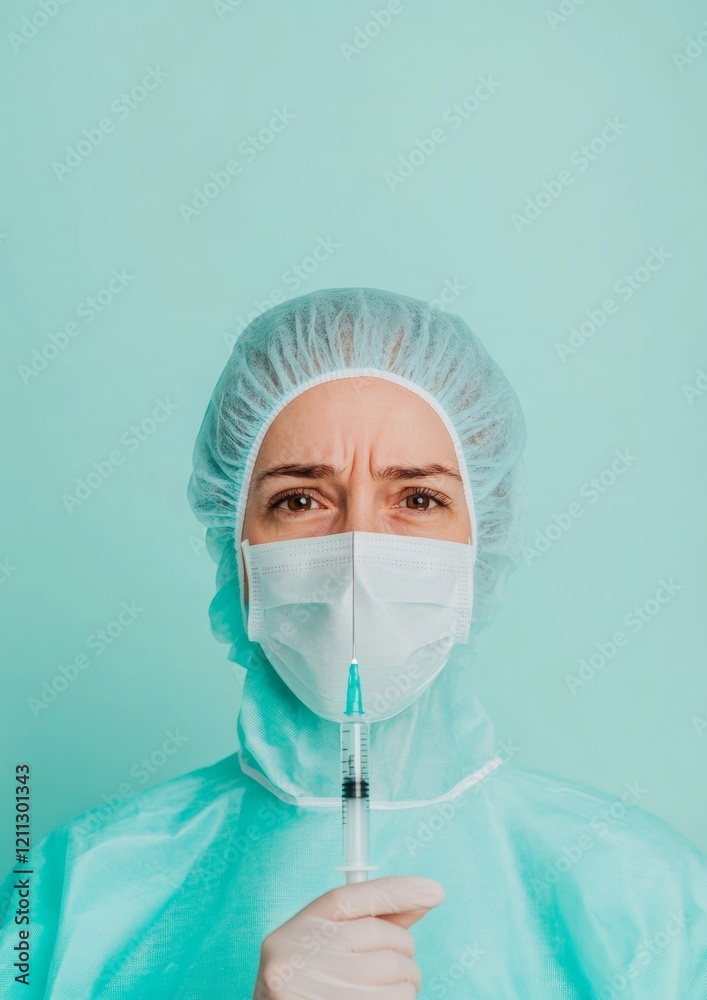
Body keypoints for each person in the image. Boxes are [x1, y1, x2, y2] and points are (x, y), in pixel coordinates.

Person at [1, 287, 706, 998]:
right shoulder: (78, 887)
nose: (357, 555)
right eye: (299, 500)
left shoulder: (642, 894)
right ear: (234, 544)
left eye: (418, 499)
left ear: (482, 543)